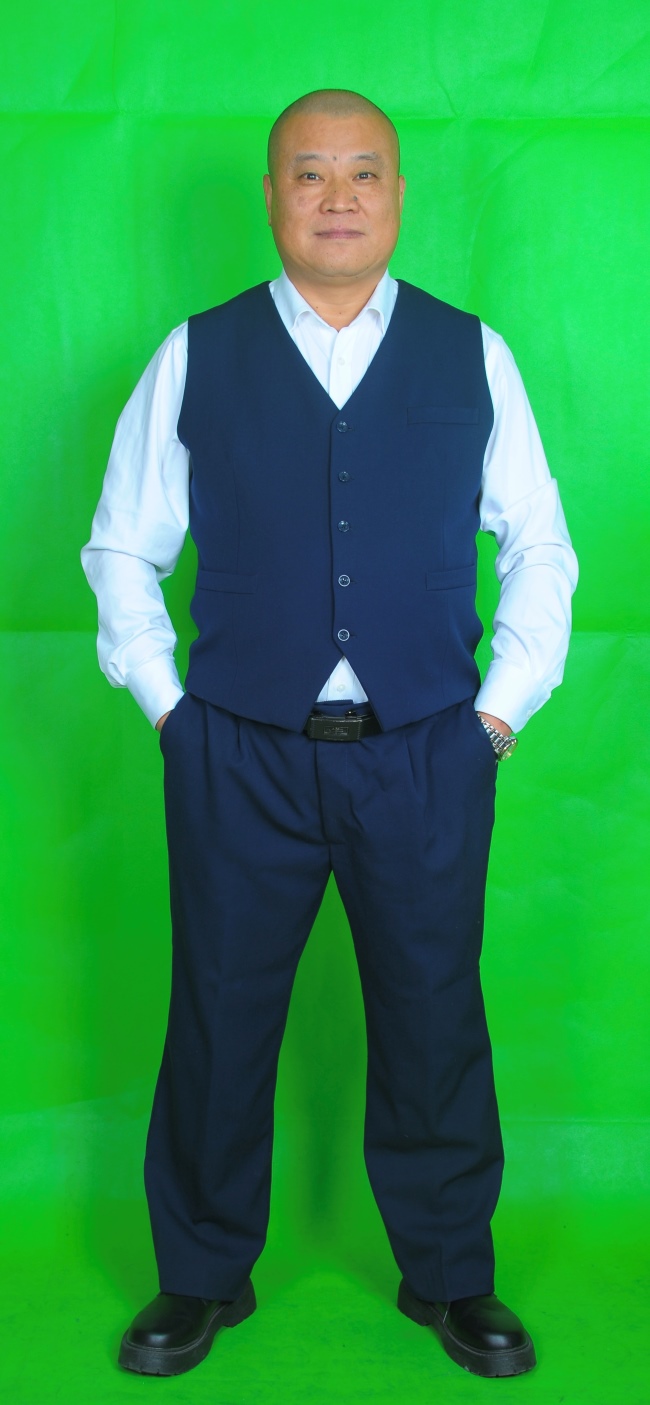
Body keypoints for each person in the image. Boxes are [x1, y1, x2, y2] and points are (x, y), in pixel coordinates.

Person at [81, 88, 578, 1380]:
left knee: (433, 1011)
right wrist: (172, 711)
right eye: (310, 173)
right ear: (273, 196)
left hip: (425, 749)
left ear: (400, 194)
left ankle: (450, 1273)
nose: (338, 195)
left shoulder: (473, 353)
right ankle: (200, 1273)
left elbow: (539, 544)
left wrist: (497, 711)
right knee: (219, 1011)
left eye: (364, 172)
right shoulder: (198, 352)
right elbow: (122, 547)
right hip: (238, 749)